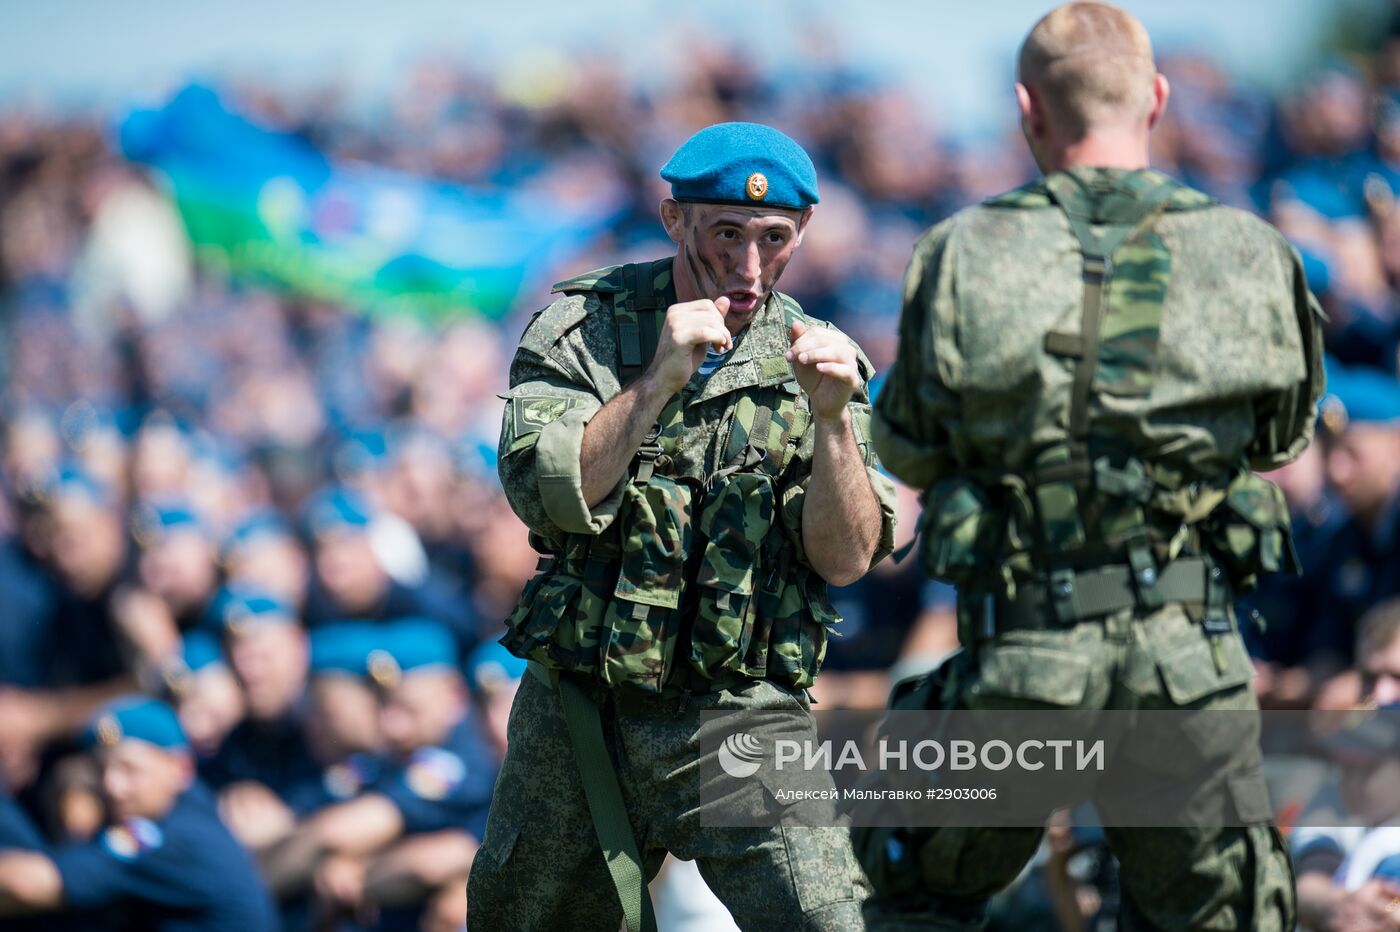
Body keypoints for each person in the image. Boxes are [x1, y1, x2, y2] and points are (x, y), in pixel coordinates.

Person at [866, 3, 1323, 929]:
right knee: (1224, 915)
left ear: (1029, 109)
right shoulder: (1254, 252)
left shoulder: (961, 252)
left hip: (1027, 659)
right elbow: (1281, 439)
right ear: (1155, 99)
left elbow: (907, 445)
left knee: (905, 884)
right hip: (1187, 664)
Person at [469, 120, 897, 932]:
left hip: (740, 711)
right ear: (675, 221)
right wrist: (657, 380)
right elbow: (547, 495)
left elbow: (844, 560)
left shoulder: (819, 356)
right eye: (725, 234)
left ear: (801, 232)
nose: (747, 265)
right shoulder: (582, 331)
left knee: (830, 920)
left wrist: (834, 422)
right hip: (585, 715)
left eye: (773, 239)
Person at [0, 695, 277, 931]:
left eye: (129, 770)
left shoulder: (160, 836)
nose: (111, 786)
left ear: (181, 767)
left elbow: (26, 886)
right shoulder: (190, 807)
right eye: (101, 769)